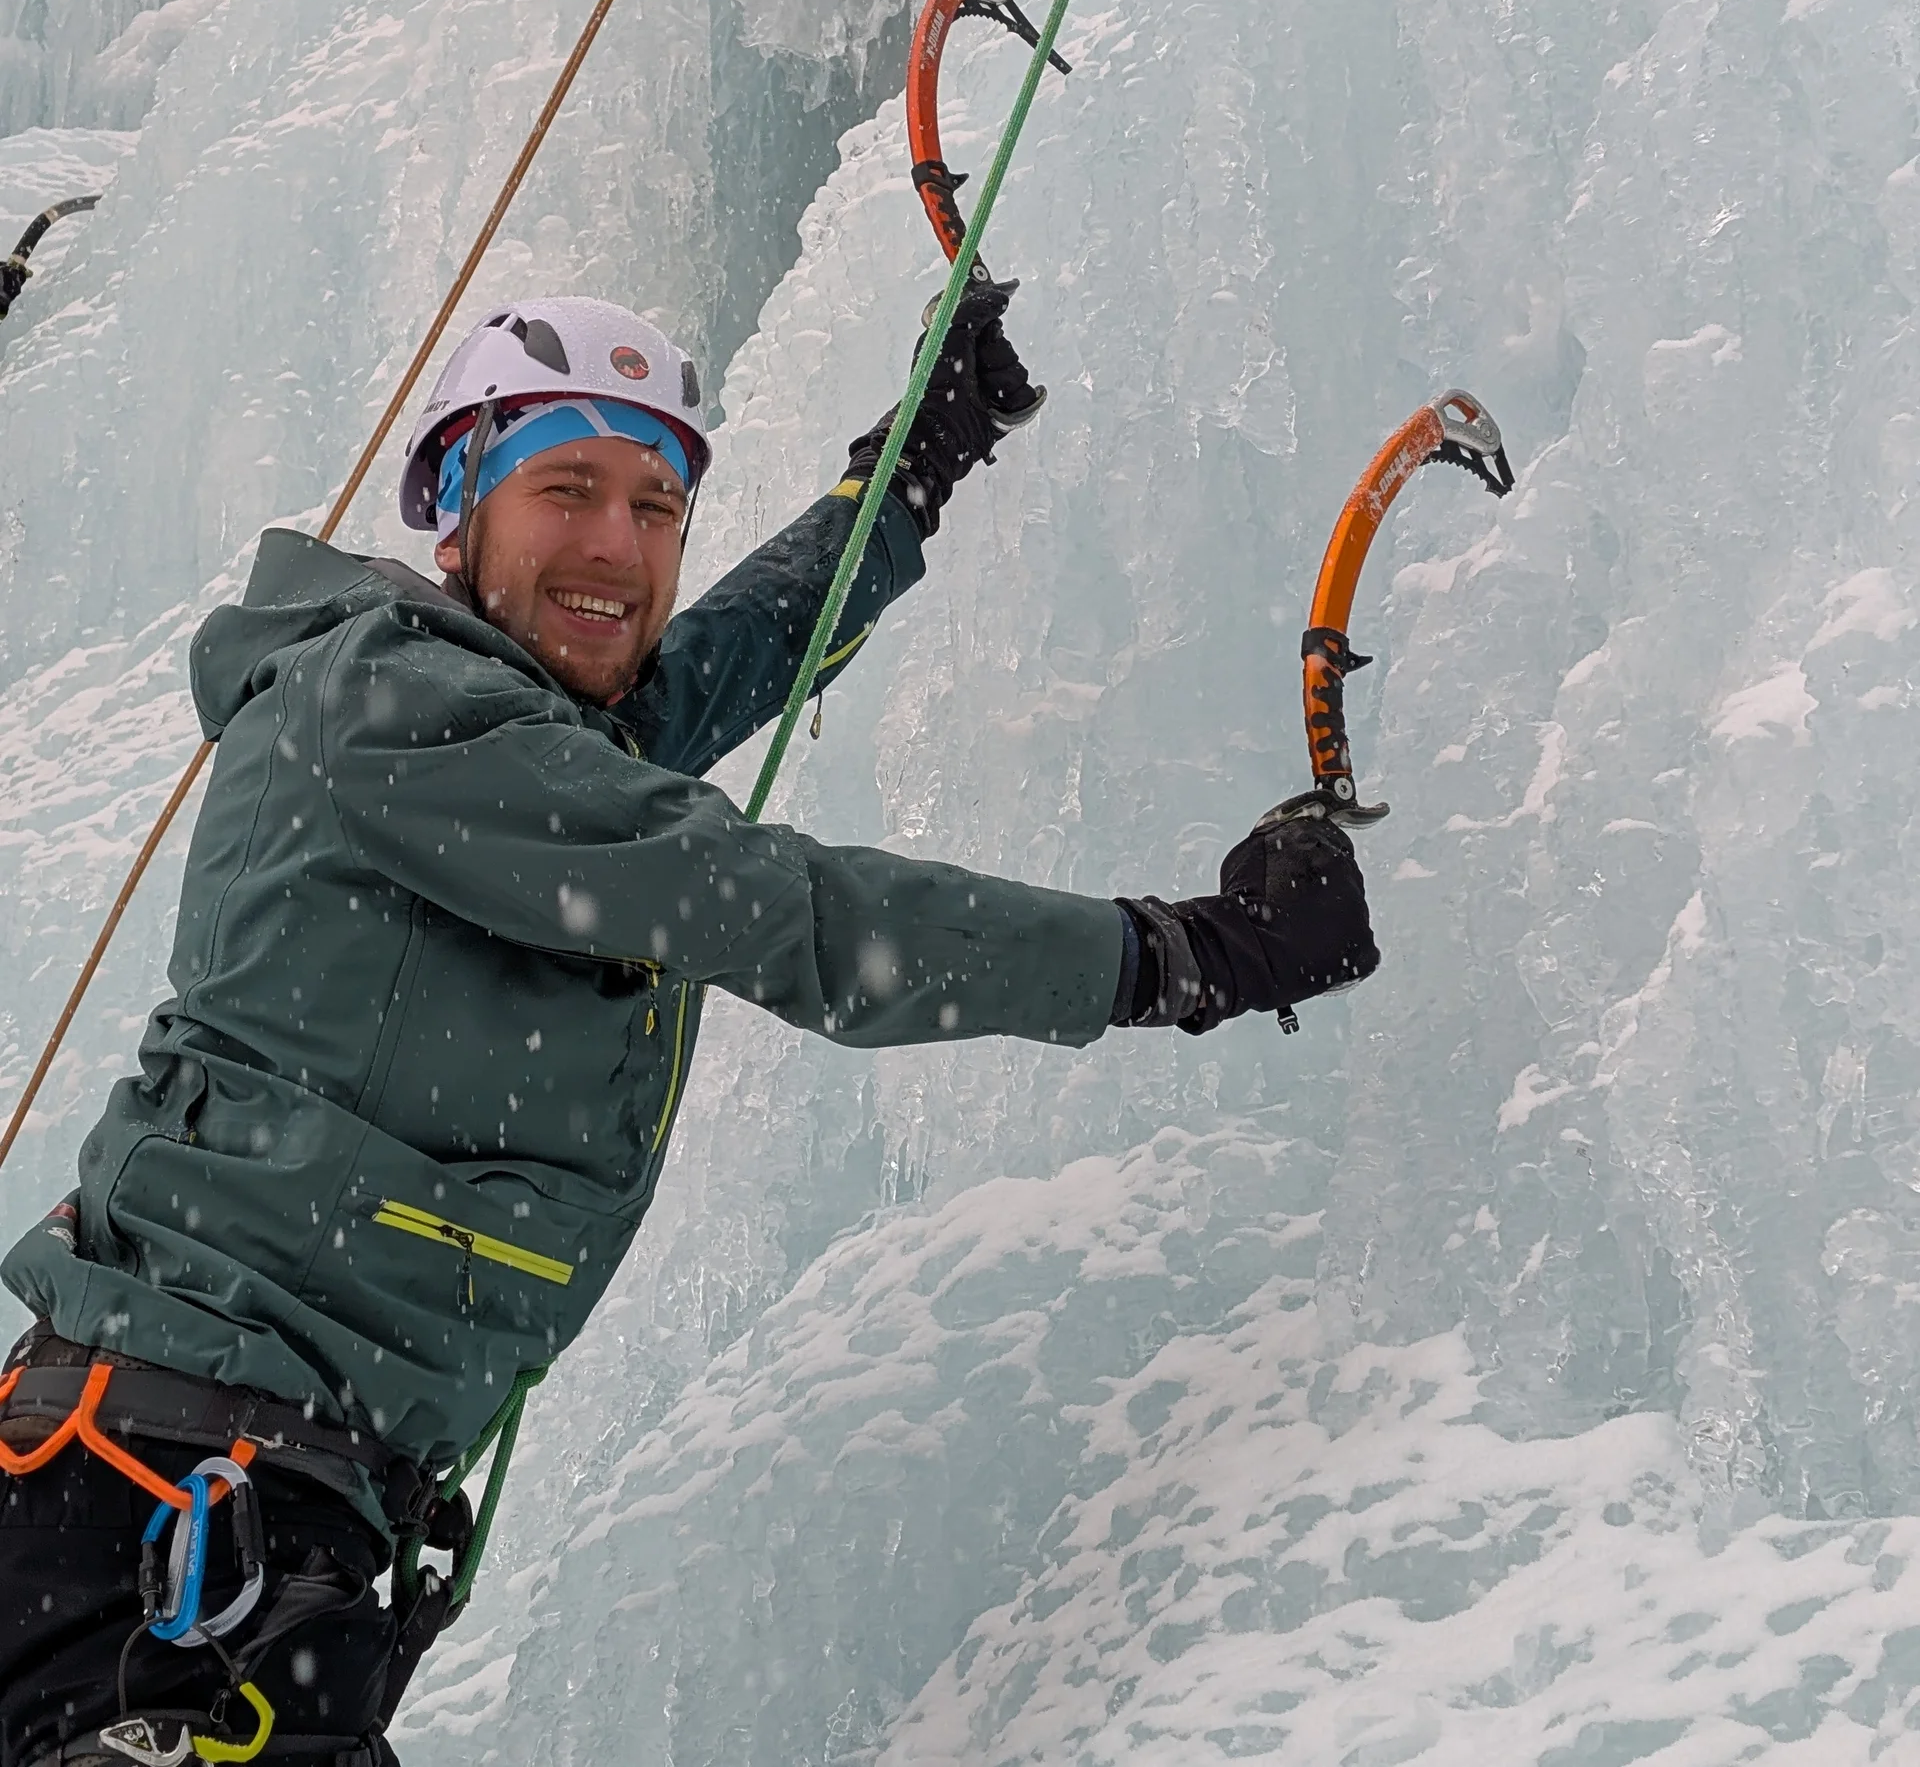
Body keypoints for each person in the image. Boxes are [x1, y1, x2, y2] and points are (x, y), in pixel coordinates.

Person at [0, 289, 1376, 1765]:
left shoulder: (486, 733)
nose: (618, 543)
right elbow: (779, 910)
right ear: (456, 503)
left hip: (207, 1510)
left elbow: (705, 673)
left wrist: (904, 482)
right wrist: (1177, 955)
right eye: (566, 488)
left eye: (656, 506)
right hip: (164, 1508)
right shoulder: (386, 701)